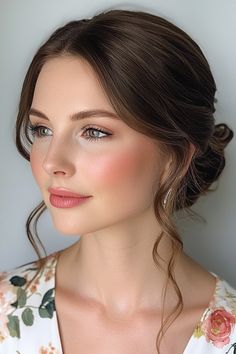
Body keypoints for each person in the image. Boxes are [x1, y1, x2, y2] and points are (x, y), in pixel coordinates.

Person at [0, 8, 235, 354]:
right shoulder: (5, 313)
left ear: (176, 157)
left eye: (93, 131)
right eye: (42, 129)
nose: (52, 162)